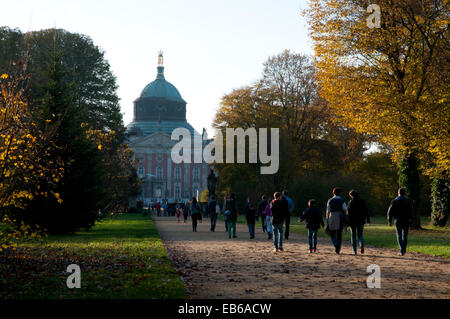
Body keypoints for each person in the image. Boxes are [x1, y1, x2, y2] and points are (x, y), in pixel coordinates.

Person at [387, 188, 413, 256]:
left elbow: (390, 212)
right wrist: (411, 220)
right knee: (405, 236)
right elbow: (411, 212)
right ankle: (404, 249)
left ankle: (402, 250)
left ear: (398, 193)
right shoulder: (407, 201)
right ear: (405, 193)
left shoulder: (394, 201)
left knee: (399, 235)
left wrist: (389, 220)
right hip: (406, 220)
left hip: (398, 219)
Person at [347, 189, 370, 255]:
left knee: (353, 236)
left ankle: (354, 251)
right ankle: (361, 244)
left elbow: (348, 213)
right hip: (361, 220)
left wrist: (348, 222)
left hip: (353, 221)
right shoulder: (362, 201)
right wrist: (368, 220)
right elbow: (366, 211)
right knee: (360, 235)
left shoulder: (350, 202)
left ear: (351, 195)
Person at [326, 187, 347, 254]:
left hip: (332, 216)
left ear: (333, 193)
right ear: (340, 193)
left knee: (332, 233)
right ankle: (338, 249)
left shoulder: (330, 200)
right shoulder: (342, 200)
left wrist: (327, 219)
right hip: (340, 217)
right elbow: (345, 209)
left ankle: (335, 244)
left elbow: (328, 210)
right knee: (339, 234)